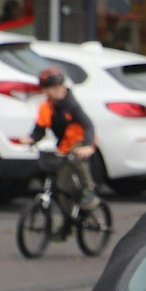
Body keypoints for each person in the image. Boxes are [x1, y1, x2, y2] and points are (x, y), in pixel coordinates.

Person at [29, 67, 99, 212]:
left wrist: (87, 145)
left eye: (60, 86)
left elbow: (88, 125)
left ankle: (89, 189)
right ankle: (68, 223)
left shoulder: (71, 104)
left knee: (75, 156)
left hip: (80, 141)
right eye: (54, 87)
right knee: (62, 186)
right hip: (64, 146)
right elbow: (39, 130)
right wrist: (30, 139)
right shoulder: (46, 107)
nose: (59, 90)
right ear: (45, 90)